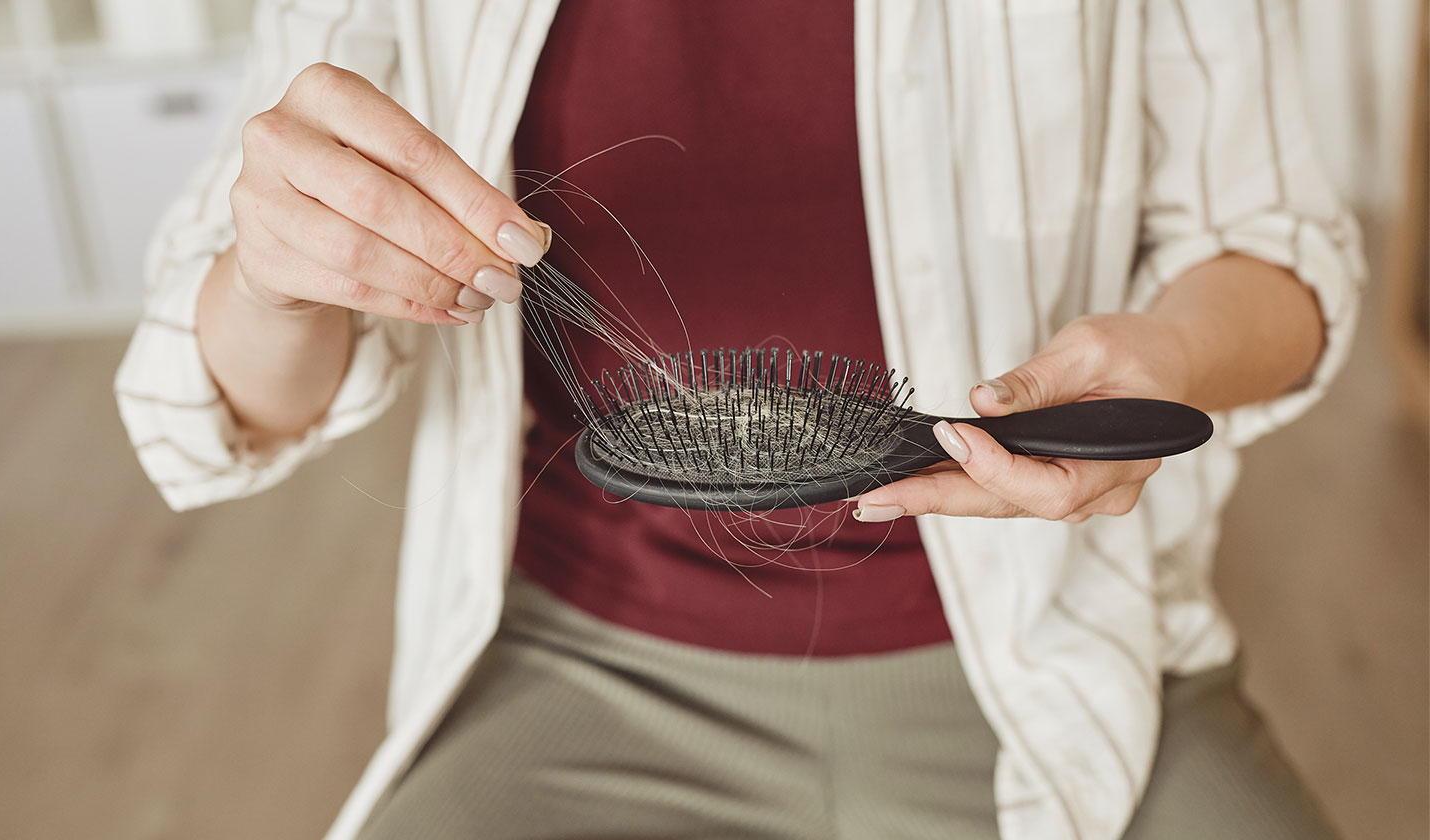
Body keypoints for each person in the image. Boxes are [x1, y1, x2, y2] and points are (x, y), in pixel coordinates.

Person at [115, 1, 1364, 838]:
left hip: (1067, 644)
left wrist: (1170, 356)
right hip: (580, 668)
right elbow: (210, 401)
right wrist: (275, 273)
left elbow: (1273, 252)